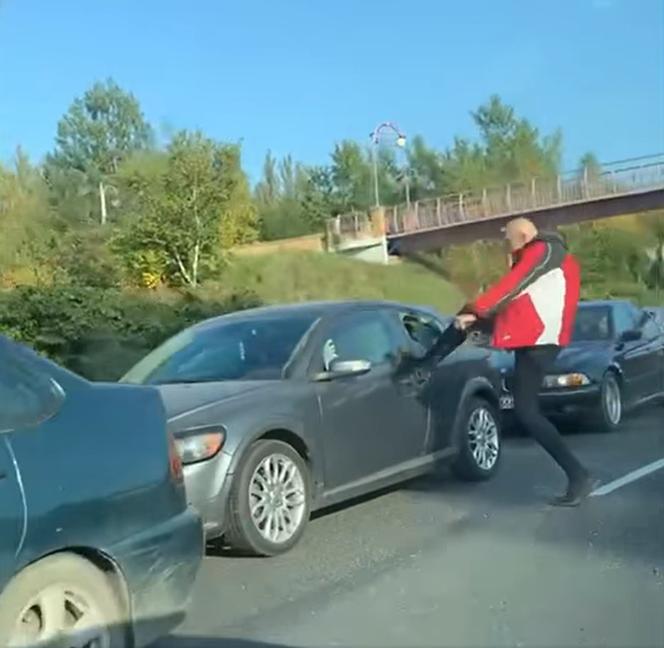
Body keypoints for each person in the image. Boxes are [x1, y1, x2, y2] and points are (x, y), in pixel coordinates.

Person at [455, 217, 598, 506]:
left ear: (522, 235)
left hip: (540, 341)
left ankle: (579, 475)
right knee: (526, 409)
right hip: (534, 340)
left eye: (508, 240)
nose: (506, 246)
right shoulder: (539, 256)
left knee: (527, 411)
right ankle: (578, 475)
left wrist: (476, 309)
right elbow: (517, 299)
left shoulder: (543, 251)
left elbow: (511, 286)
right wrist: (482, 320)